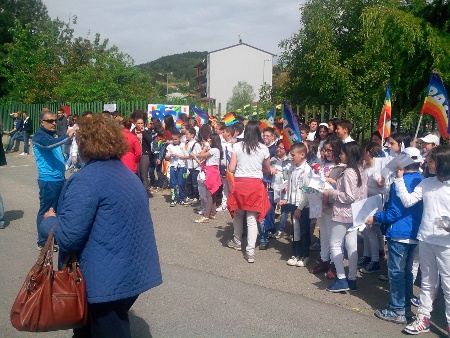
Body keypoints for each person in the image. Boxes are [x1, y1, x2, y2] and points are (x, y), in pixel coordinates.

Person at [39, 114, 162, 338]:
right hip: (130, 270)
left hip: (104, 280)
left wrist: (48, 222)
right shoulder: (127, 174)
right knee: (88, 331)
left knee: (106, 329)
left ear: (85, 144)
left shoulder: (87, 180)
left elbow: (69, 235)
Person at [393, 146, 450, 335]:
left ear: (443, 163)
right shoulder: (426, 183)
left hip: (446, 244)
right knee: (427, 282)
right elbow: (408, 201)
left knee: (448, 285)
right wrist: (399, 179)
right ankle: (423, 318)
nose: (427, 163)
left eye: (432, 160)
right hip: (425, 238)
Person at [364, 147, 424, 324]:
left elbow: (394, 212)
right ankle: (405, 308)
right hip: (415, 232)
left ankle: (397, 309)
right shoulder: (423, 180)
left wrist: (375, 217)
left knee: (396, 272)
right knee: (406, 272)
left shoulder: (400, 182)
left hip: (399, 232)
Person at [323, 141, 367, 292]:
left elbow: (349, 196)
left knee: (335, 244)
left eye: (342, 153)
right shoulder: (360, 170)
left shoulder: (349, 171)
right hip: (355, 213)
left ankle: (341, 278)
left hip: (344, 212)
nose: (340, 155)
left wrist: (331, 192)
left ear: (348, 155)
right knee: (351, 246)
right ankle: (352, 279)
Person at [226, 120, 271, 263]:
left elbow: (231, 168)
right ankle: (250, 251)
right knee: (252, 218)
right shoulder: (263, 148)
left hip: (240, 183)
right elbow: (267, 169)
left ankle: (237, 242)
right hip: (255, 184)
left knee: (238, 214)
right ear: (258, 132)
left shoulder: (237, 146)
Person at [32, 110, 75, 250]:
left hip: (58, 178)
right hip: (48, 180)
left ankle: (53, 236)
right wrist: (68, 135)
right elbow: (49, 145)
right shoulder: (39, 137)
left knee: (57, 209)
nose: (54, 123)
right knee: (46, 210)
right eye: (50, 121)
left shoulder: (52, 135)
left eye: (55, 120)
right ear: (42, 122)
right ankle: (43, 241)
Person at [280, 142, 313, 267]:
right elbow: (290, 187)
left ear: (302, 155)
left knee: (304, 231)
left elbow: (307, 192)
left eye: (293, 155)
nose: (291, 157)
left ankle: (305, 255)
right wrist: (286, 200)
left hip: (303, 207)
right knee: (295, 230)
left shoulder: (307, 170)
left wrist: (300, 208)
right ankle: (295, 253)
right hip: (293, 204)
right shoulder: (292, 168)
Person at [358, 142, 386, 274]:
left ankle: (375, 260)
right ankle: (367, 255)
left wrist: (380, 183)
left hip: (375, 203)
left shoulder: (379, 169)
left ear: (368, 152)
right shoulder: (367, 167)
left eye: (365, 152)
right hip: (367, 202)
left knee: (370, 230)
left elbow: (383, 188)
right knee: (366, 231)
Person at [190, 134, 222, 223]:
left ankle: (206, 215)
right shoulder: (214, 150)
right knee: (212, 194)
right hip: (211, 171)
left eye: (210, 140)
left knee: (209, 194)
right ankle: (212, 213)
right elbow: (201, 158)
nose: (208, 142)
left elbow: (202, 155)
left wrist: (205, 146)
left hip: (211, 173)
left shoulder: (215, 150)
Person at [165, 130, 189, 206]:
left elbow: (187, 156)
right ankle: (173, 198)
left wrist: (179, 156)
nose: (174, 141)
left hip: (181, 166)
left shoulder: (183, 145)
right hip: (172, 166)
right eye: (173, 139)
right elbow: (166, 157)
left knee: (181, 183)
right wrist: (170, 156)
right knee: (172, 183)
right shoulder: (169, 146)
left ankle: (182, 198)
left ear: (179, 138)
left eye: (176, 139)